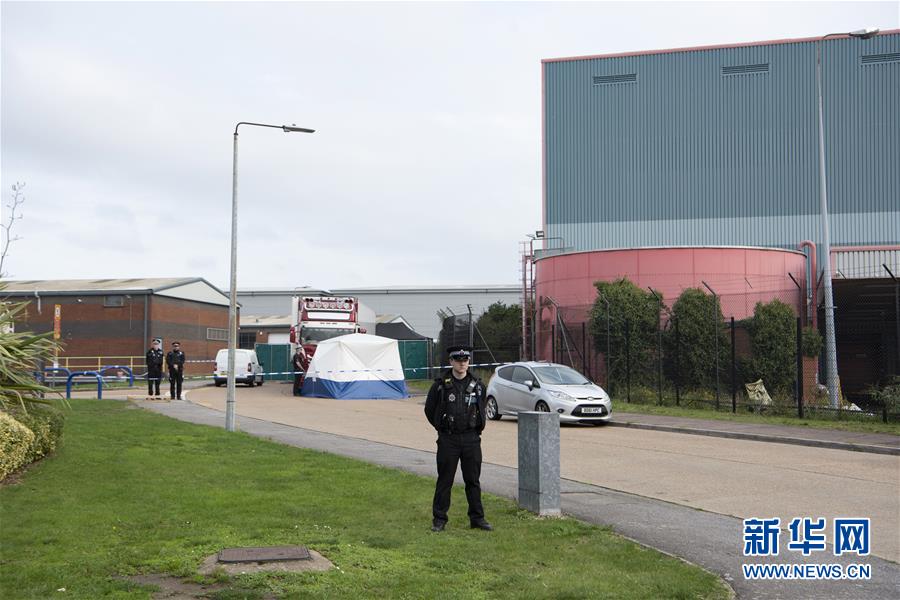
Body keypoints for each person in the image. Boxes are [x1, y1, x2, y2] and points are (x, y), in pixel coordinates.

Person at [424, 345, 492, 532]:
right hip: (449, 439)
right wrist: (441, 427)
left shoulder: (478, 386)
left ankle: (477, 518)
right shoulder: (440, 386)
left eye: (465, 360)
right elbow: (429, 410)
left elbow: (481, 408)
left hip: (471, 439)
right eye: (458, 360)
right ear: (451, 361)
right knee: (445, 480)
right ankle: (439, 519)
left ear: (469, 362)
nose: (462, 364)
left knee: (473, 480)